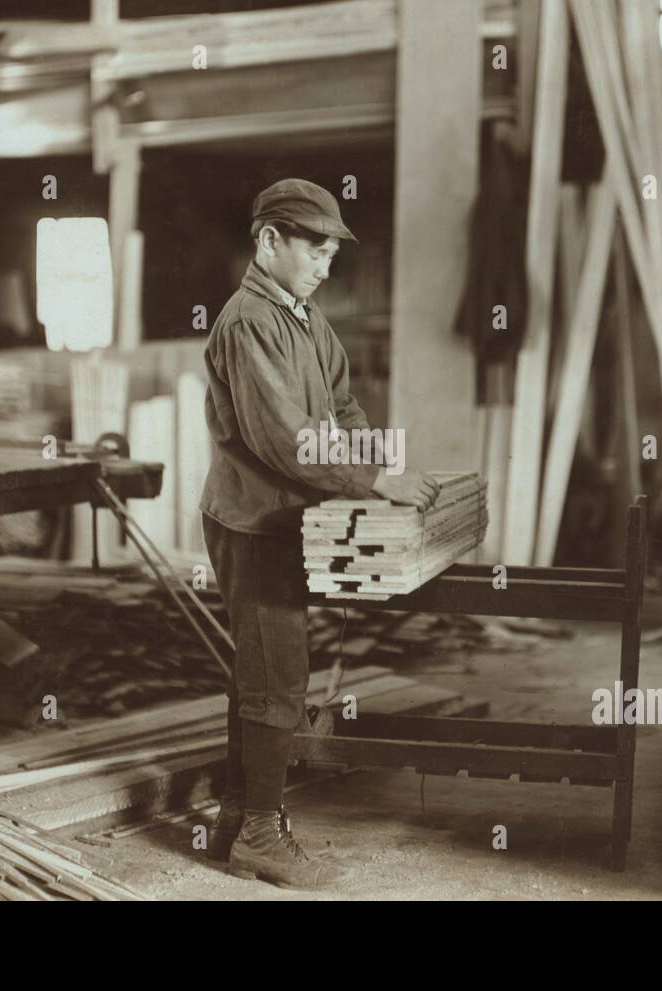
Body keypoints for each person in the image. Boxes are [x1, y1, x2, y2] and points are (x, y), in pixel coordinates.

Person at [199, 178, 439, 890]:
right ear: (269, 241)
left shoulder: (303, 317)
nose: (325, 265)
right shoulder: (249, 321)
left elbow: (341, 406)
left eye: (333, 252)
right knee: (277, 674)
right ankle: (262, 839)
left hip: (288, 519)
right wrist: (374, 482)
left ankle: (237, 817)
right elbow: (287, 438)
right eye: (314, 249)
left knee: (262, 669)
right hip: (254, 521)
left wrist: (375, 463)